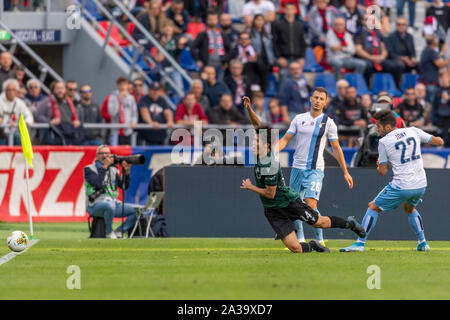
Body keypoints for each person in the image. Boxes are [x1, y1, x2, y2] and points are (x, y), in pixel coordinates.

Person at [240, 98, 365, 253]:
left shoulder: (270, 164)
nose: (253, 144)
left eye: (256, 142)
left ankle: (350, 224)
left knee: (320, 222)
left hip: (287, 202)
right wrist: (249, 109)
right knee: (296, 248)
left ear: (266, 145)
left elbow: (270, 194)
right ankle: (313, 245)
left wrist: (251, 187)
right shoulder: (262, 153)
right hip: (272, 210)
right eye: (254, 141)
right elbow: (258, 125)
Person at [340, 110, 444, 252]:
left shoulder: (384, 142)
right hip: (421, 184)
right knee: (409, 208)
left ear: (388, 127)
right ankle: (422, 243)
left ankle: (359, 243)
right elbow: (439, 142)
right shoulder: (413, 130)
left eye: (379, 126)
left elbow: (382, 172)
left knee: (373, 207)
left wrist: (380, 163)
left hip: (402, 185)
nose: (377, 129)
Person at [271, 87, 354, 245]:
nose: (318, 101)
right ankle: (301, 240)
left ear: (325, 102)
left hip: (315, 170)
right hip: (297, 168)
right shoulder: (298, 119)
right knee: (294, 205)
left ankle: (320, 240)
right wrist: (272, 152)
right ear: (310, 99)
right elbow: (286, 139)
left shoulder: (329, 123)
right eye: (316, 97)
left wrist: (345, 172)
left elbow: (336, 148)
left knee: (310, 204)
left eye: (321, 99)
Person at [84, 145, 138, 239]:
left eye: (107, 153)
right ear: (97, 155)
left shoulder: (113, 169)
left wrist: (127, 171)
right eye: (102, 153)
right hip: (94, 204)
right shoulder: (89, 169)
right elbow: (98, 184)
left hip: (113, 203)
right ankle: (108, 232)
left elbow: (124, 186)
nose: (105, 156)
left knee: (136, 211)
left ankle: (118, 231)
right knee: (110, 206)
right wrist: (104, 167)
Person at [355, 14, 404, 87]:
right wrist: (371, 57)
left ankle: (394, 88)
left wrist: (382, 57)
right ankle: (367, 88)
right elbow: (358, 50)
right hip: (367, 58)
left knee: (398, 65)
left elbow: (384, 48)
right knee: (367, 66)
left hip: (379, 58)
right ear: (362, 21)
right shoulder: (359, 33)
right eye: (366, 20)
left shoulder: (377, 33)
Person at [35, 81, 82, 145]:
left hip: (69, 134)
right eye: (57, 88)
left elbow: (73, 116)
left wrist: (75, 121)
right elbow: (38, 116)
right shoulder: (46, 101)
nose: (60, 90)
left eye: (62, 88)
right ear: (53, 90)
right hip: (54, 135)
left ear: (65, 90)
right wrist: (50, 121)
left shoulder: (69, 102)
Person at [271, 2, 307, 85]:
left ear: (295, 10)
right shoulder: (278, 25)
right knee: (283, 82)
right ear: (284, 10)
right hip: (284, 59)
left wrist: (302, 57)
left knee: (300, 83)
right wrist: (279, 57)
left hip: (297, 59)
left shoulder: (300, 25)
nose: (290, 11)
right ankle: (282, 98)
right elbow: (275, 43)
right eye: (287, 9)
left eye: (292, 9)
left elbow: (303, 42)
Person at [191, 8, 231, 81]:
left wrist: (226, 61)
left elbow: (229, 49)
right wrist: (197, 60)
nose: (212, 21)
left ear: (217, 20)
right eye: (210, 19)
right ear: (207, 20)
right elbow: (192, 47)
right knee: (204, 86)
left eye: (214, 19)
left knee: (218, 86)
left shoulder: (222, 34)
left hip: (220, 66)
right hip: (206, 66)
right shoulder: (203, 34)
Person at [103, 77, 138, 146]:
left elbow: (134, 112)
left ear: (127, 85)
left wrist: (134, 122)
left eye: (124, 84)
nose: (123, 87)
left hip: (127, 130)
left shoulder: (131, 98)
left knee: (127, 151)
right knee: (116, 152)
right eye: (120, 84)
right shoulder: (112, 97)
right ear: (118, 85)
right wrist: (118, 99)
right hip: (116, 131)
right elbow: (112, 112)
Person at [0, 79, 34, 145]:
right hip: (1, 133)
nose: (11, 92)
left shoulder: (20, 103)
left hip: (15, 131)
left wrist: (24, 123)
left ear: (16, 91)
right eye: (9, 90)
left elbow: (29, 116)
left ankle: (25, 155)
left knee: (22, 140)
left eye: (13, 90)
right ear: (5, 91)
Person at [418, 35, 450, 104]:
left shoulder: (426, 50)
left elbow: (435, 58)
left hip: (425, 82)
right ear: (435, 43)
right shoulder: (431, 51)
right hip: (430, 84)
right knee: (431, 104)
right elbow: (440, 64)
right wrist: (448, 60)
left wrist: (442, 53)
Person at [278, 61, 309, 125]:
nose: (295, 71)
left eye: (297, 69)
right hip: (293, 113)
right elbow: (283, 101)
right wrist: (285, 116)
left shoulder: (303, 80)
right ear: (289, 71)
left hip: (304, 112)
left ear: (301, 69)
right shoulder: (287, 83)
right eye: (293, 69)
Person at [433, 70, 450, 147]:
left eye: (445, 77)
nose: (443, 79)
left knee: (447, 135)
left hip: (449, 117)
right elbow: (434, 106)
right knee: (437, 133)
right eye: (442, 77)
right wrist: (431, 120)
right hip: (440, 116)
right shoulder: (438, 91)